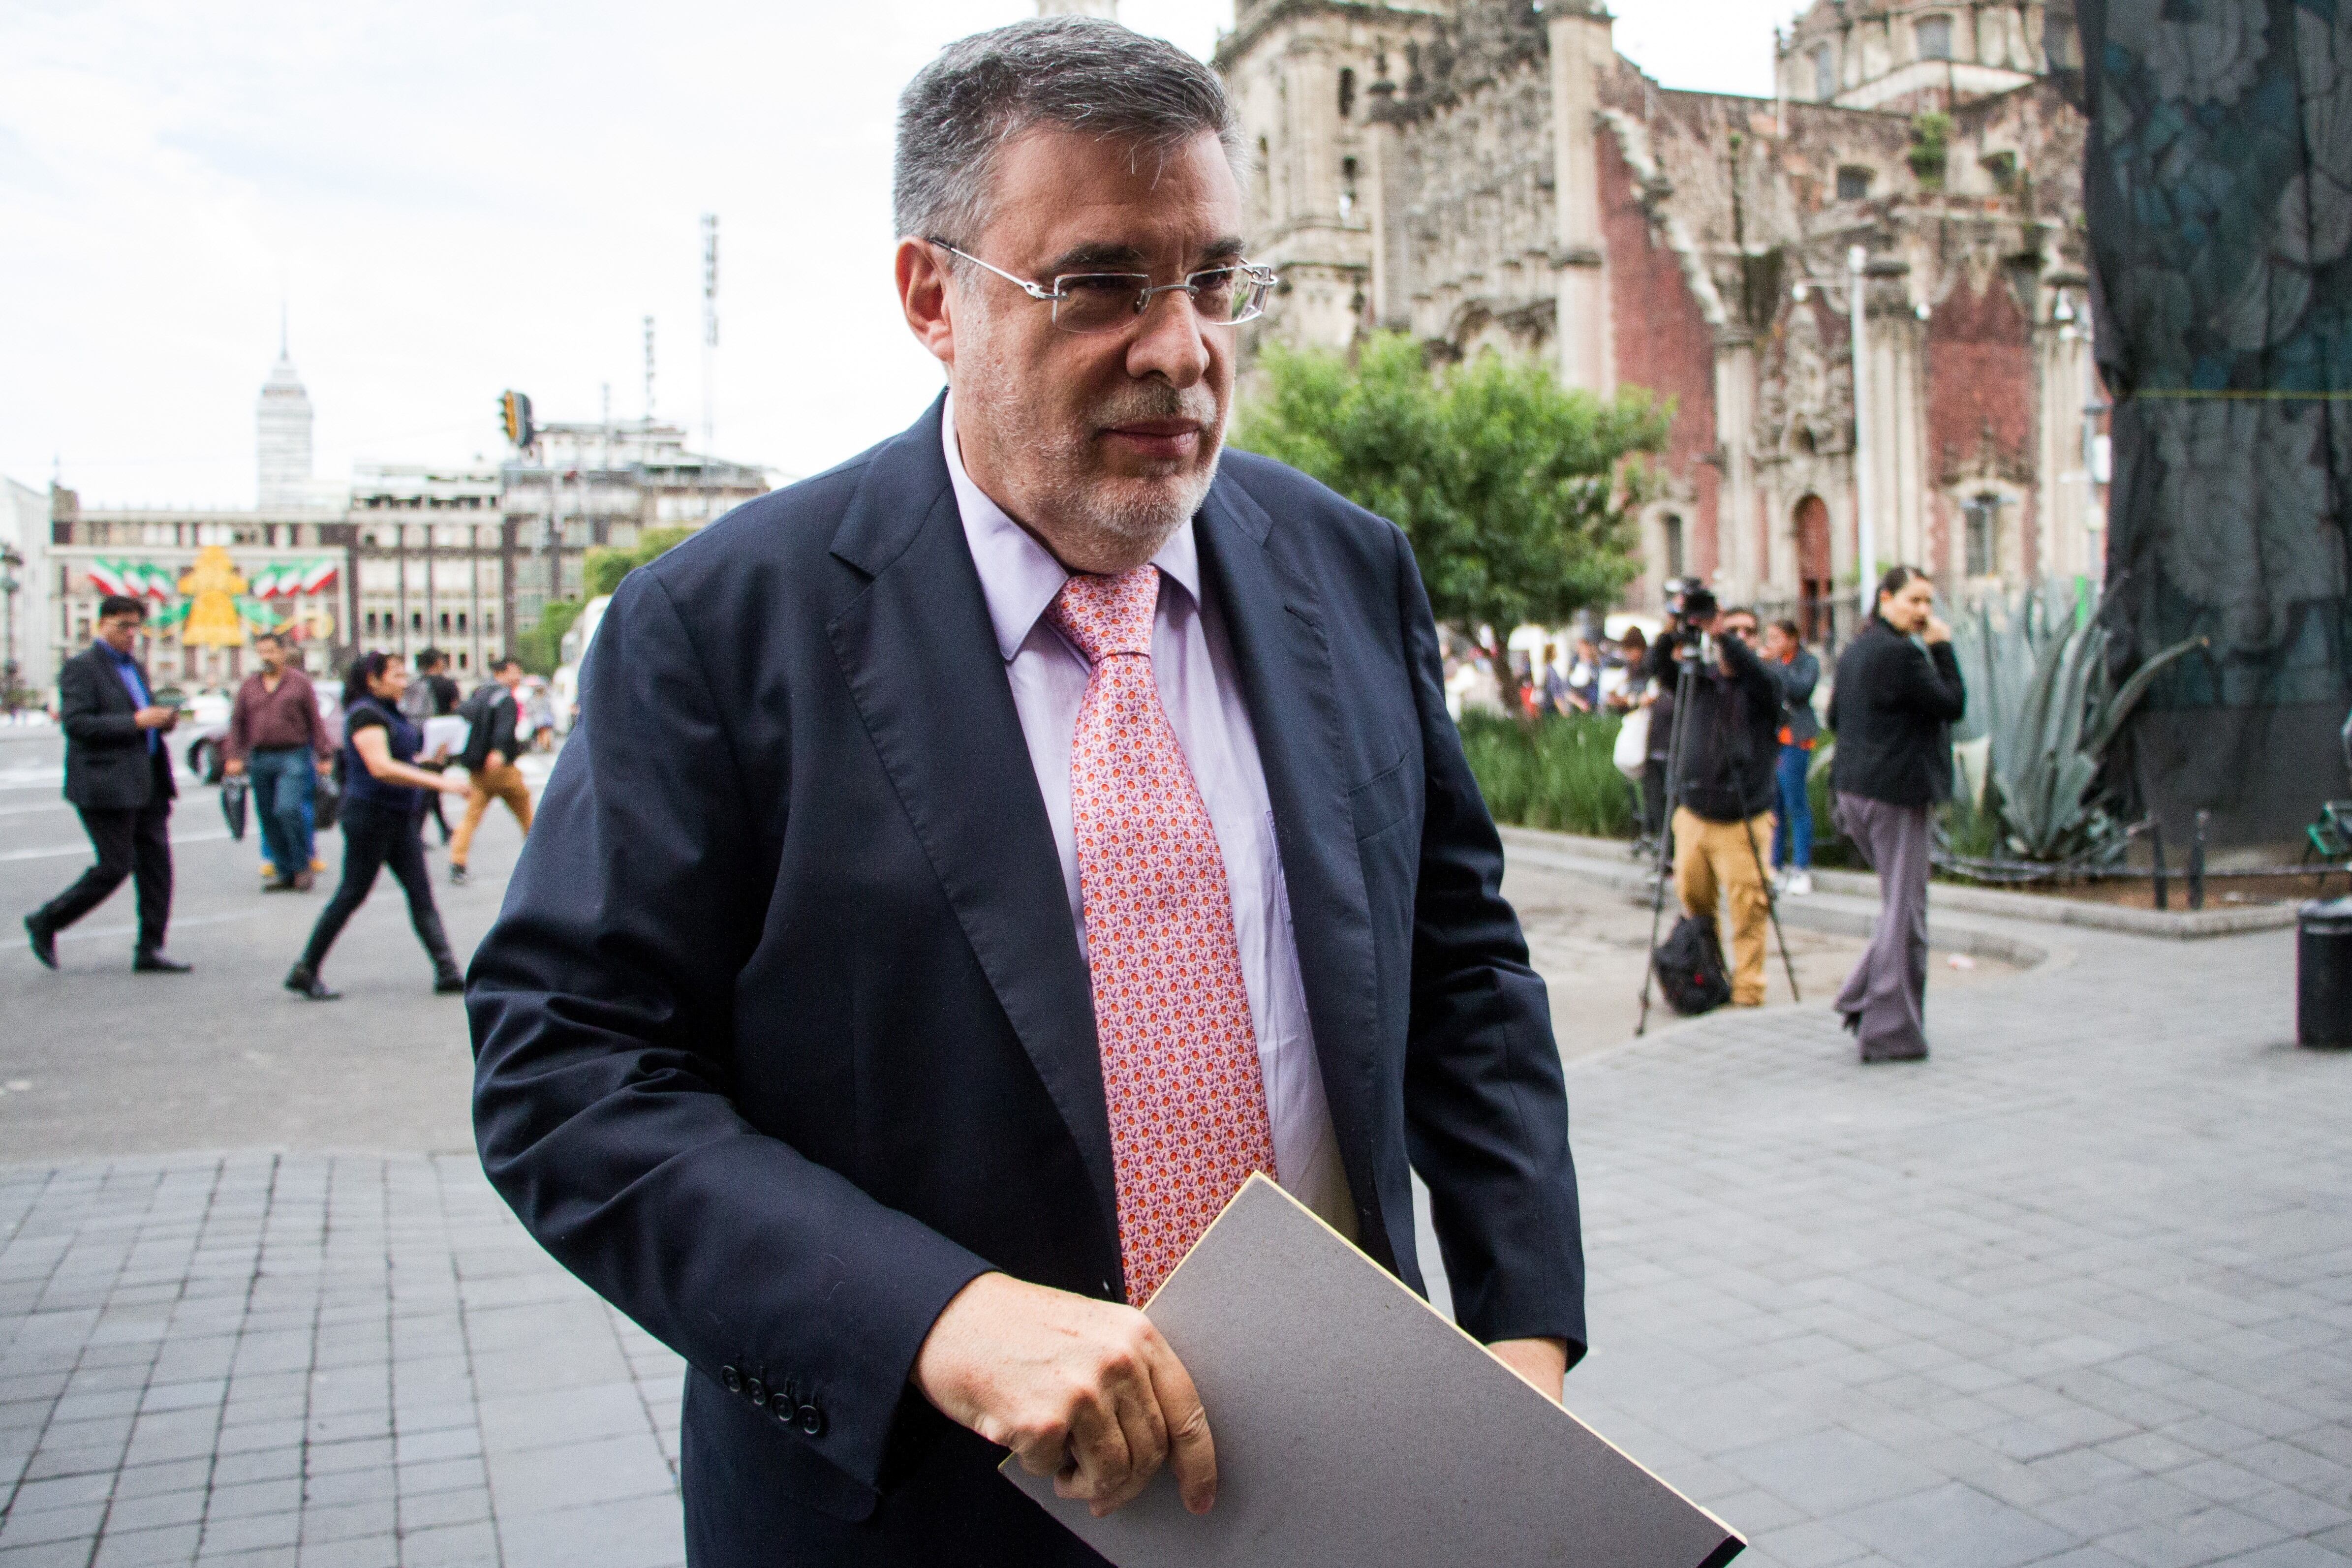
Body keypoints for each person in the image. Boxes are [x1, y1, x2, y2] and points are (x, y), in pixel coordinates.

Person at [466, 19, 1584, 1567]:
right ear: (933, 295)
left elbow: (1461, 965)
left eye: (1214, 280)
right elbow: (566, 1076)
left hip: (1344, 1485)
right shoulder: (720, 630)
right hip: (920, 1515)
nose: (1181, 348)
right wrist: (942, 1319)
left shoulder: (1343, 565)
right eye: (1100, 283)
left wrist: (1524, 1336)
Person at [1828, 565, 1967, 1061]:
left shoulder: (1856, 650)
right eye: (1914, 600)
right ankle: (1888, 1029)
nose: (1924, 611)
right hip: (1894, 793)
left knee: (1898, 906)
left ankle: (1861, 997)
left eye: (1929, 601)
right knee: (1907, 912)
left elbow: (1832, 718)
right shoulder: (1901, 655)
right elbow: (1952, 704)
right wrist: (1943, 648)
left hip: (1854, 792)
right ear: (1885, 599)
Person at [283, 652, 471, 1001]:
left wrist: (429, 763)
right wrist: (439, 783)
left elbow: (399, 760)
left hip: (398, 817)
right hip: (371, 817)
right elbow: (381, 766)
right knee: (351, 893)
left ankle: (448, 970)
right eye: (397, 675)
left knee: (421, 894)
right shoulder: (366, 714)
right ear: (373, 679)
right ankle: (306, 967)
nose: (404, 681)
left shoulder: (389, 712)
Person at [24, 595, 191, 973]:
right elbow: (77, 724)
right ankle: (48, 920)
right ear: (103, 624)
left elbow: (143, 716)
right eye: (123, 626)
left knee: (157, 867)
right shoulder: (81, 668)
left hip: (147, 778)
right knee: (115, 865)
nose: (131, 634)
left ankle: (150, 947)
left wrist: (162, 721)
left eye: (136, 627)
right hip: (104, 783)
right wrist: (137, 721)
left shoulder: (136, 668)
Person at [1641, 593, 1784, 1007]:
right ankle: (1709, 975)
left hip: (1742, 818)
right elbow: (1658, 666)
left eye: (1746, 632)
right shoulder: (1698, 681)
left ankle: (1749, 990)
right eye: (1730, 628)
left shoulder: (1763, 685)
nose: (1737, 638)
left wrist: (1725, 637)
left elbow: (1758, 675)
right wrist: (1677, 630)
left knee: (1748, 909)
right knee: (1695, 905)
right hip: (1694, 815)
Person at [224, 632, 333, 892]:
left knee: (288, 809)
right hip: (260, 757)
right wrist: (233, 756)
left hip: (294, 755)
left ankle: (301, 866)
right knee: (269, 816)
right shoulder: (250, 686)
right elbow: (238, 722)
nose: (266, 657)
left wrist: (324, 754)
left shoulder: (299, 684)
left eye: (271, 651)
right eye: (262, 652)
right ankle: (284, 872)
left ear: (284, 653)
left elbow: (315, 720)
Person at [447, 657, 532, 887]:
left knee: (471, 817)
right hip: (500, 768)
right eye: (515, 671)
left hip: (477, 768)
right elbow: (505, 731)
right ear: (501, 674)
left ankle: (458, 862)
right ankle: (541, 857)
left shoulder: (478, 695)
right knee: (527, 813)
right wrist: (499, 751)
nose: (519, 676)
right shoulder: (505, 698)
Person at [1764, 618, 1821, 897]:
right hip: (1774, 740)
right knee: (1775, 806)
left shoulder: (1807, 663)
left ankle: (1801, 867)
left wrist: (1780, 667)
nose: (1771, 643)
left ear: (1792, 639)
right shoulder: (1773, 664)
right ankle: (1775, 865)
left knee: (1796, 802)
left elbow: (1800, 692)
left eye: (1776, 637)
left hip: (1796, 740)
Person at [404, 648, 463, 846]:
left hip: (417, 737)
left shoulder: (413, 684)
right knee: (430, 786)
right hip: (439, 739)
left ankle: (443, 828)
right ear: (438, 662)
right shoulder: (447, 684)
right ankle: (415, 833)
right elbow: (456, 709)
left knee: (431, 784)